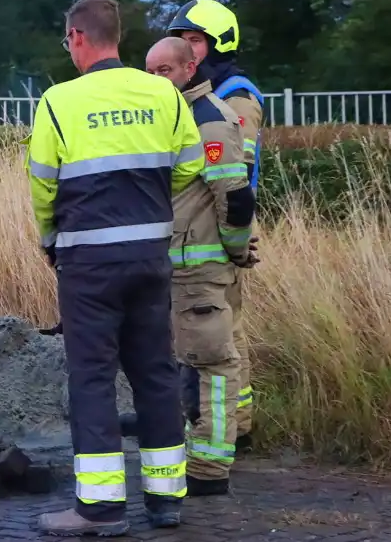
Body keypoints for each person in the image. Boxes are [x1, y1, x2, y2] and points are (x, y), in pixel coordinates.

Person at [27, 0, 201, 537]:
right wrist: (147, 210)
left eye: (67, 41)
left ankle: (99, 509)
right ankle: (165, 500)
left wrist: (51, 237)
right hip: (151, 255)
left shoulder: (58, 102)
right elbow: (189, 165)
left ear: (78, 36)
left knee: (93, 378)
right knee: (154, 372)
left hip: (87, 261)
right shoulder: (163, 95)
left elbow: (42, 184)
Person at [145, 37, 258, 496]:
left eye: (165, 71)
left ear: (191, 68)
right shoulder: (173, 115)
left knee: (214, 363)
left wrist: (235, 250)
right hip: (174, 264)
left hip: (201, 268)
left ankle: (209, 468)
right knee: (188, 360)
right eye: (149, 71)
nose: (156, 80)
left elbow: (233, 196)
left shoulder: (210, 118)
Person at [167, 0, 263, 450]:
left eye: (195, 40)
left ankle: (233, 429)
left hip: (222, 227)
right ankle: (235, 426)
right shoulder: (205, 92)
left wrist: (236, 237)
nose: (187, 48)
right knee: (226, 332)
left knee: (225, 337)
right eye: (181, 39)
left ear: (220, 43)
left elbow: (232, 177)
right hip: (206, 228)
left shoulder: (234, 97)